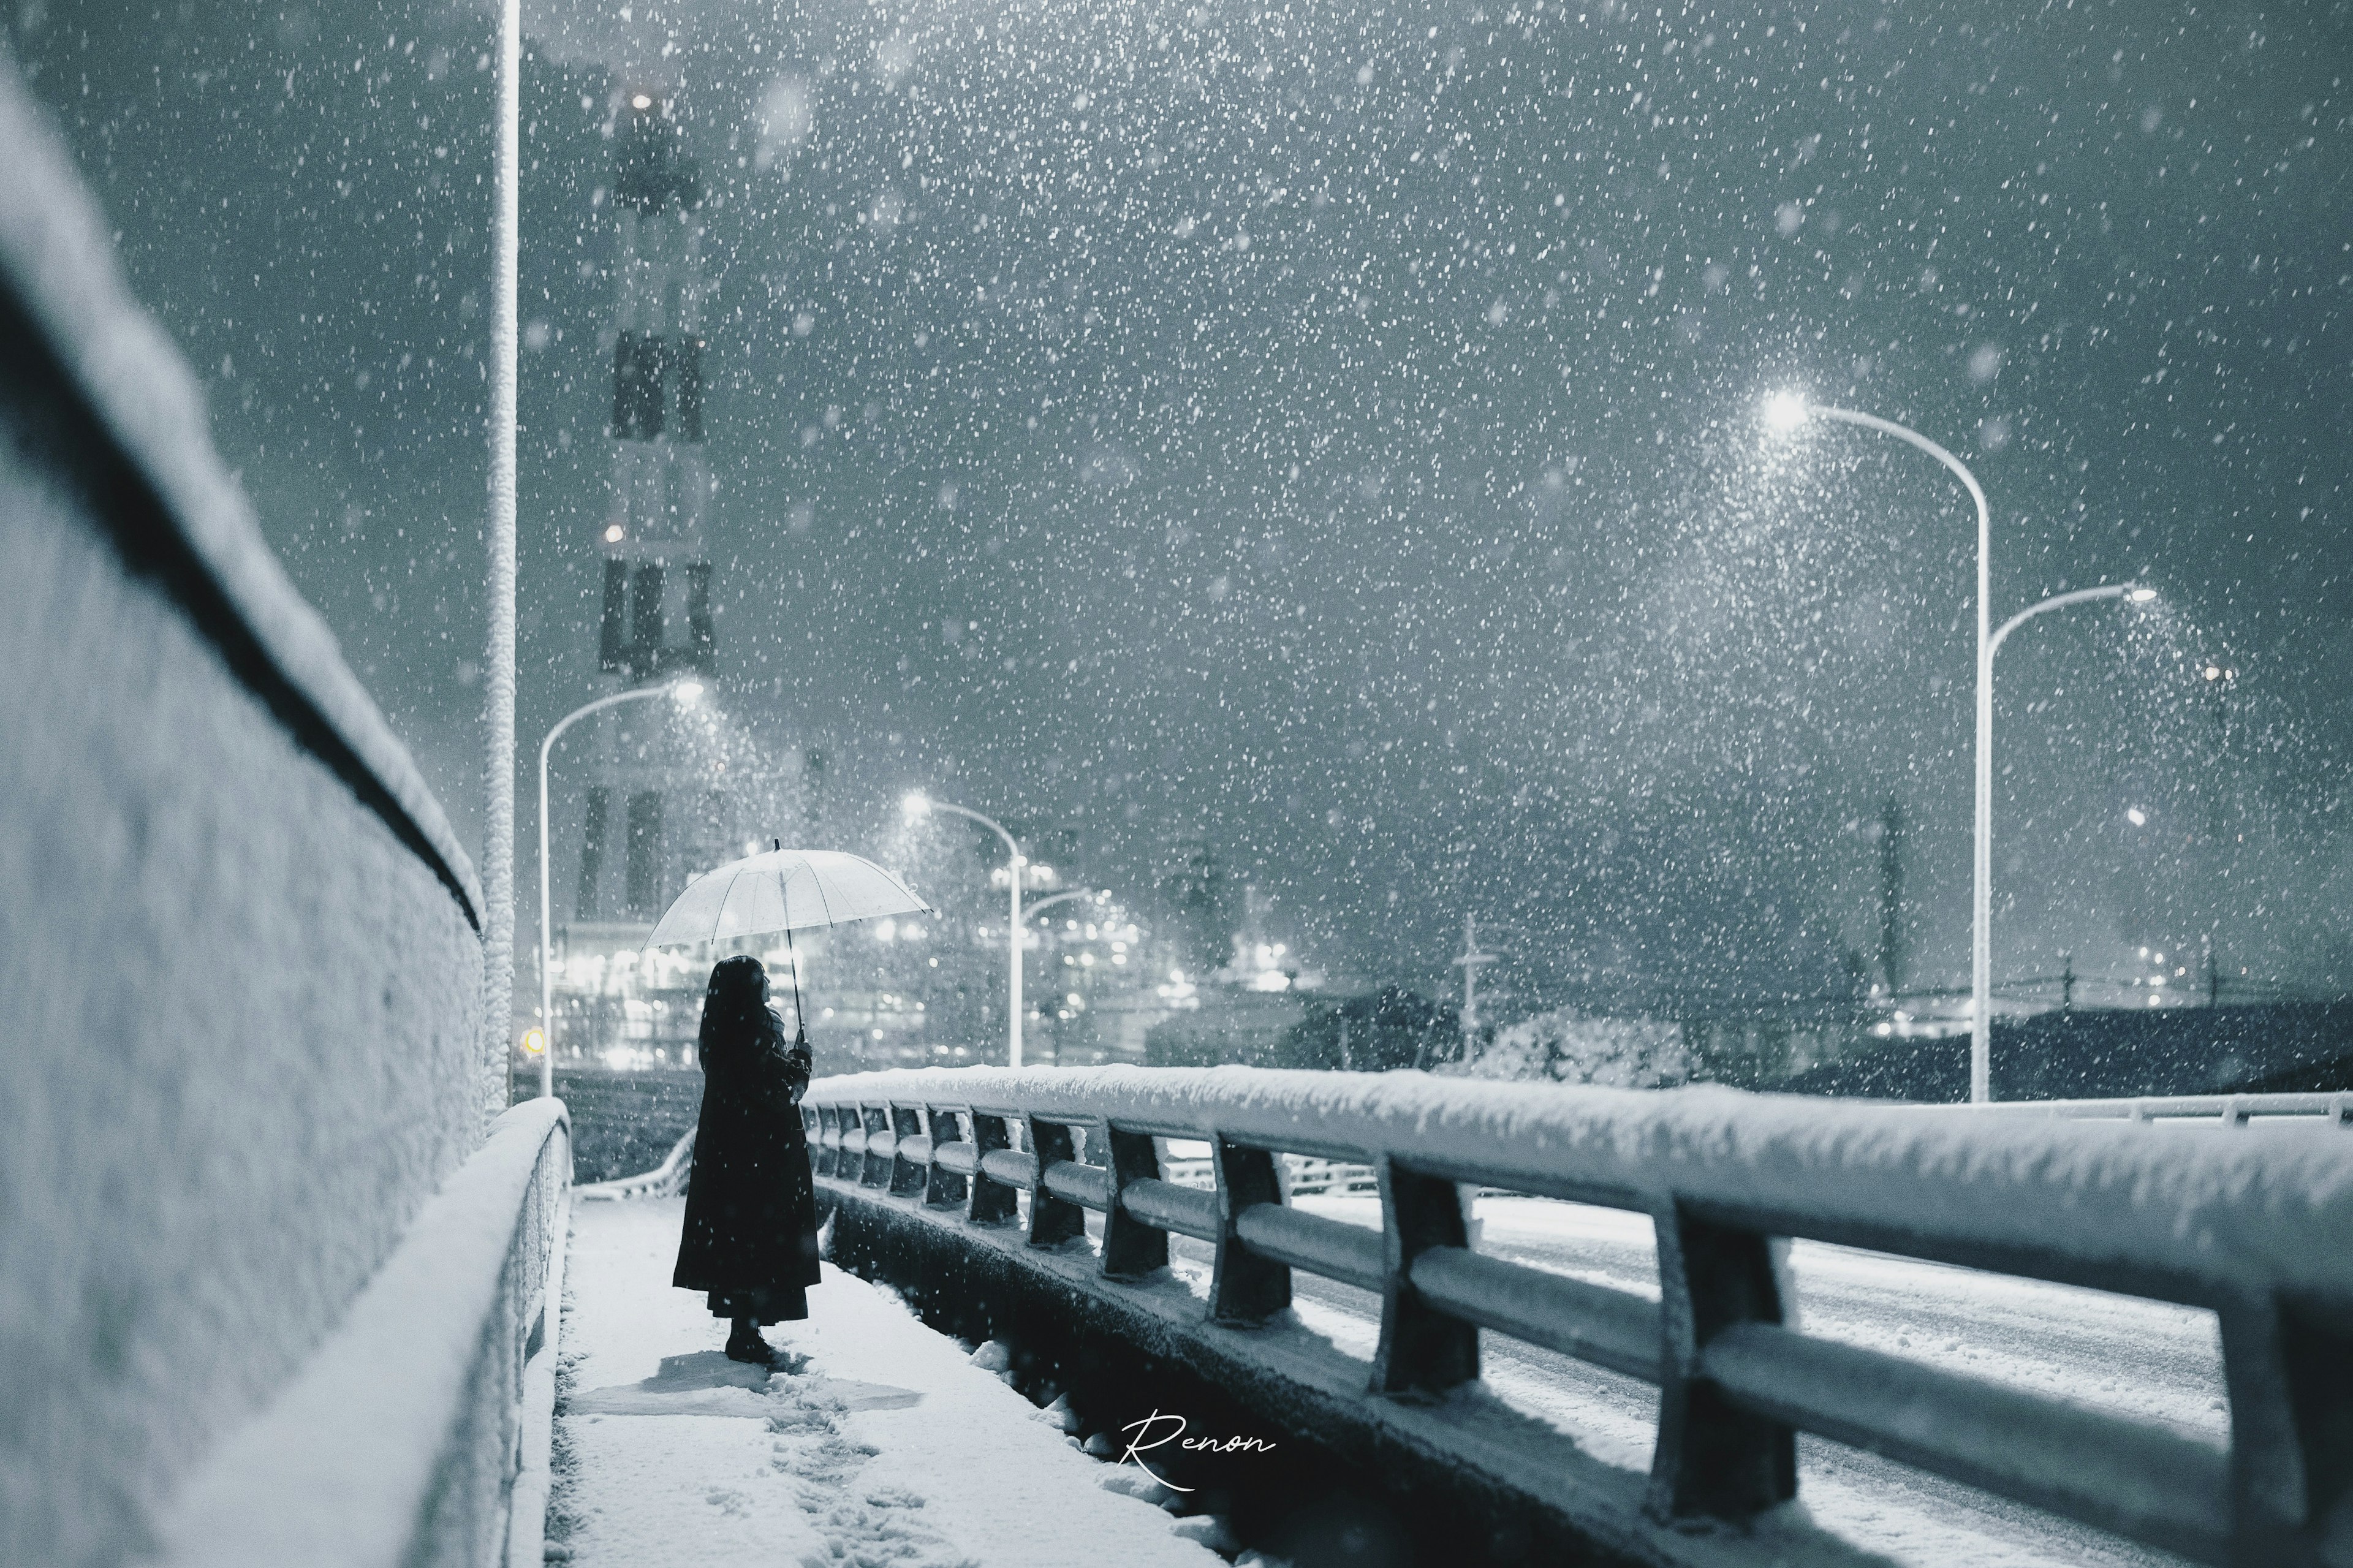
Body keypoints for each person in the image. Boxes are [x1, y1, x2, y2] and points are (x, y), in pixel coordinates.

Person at [672, 953, 820, 1365]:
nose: (769, 980)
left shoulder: (724, 1030)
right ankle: (745, 1336)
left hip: (733, 1155)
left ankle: (746, 1329)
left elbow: (758, 1081)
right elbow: (779, 1090)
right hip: (758, 1157)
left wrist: (786, 1056)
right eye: (761, 976)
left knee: (741, 1246)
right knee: (757, 1244)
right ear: (748, 988)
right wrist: (802, 1059)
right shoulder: (752, 1029)